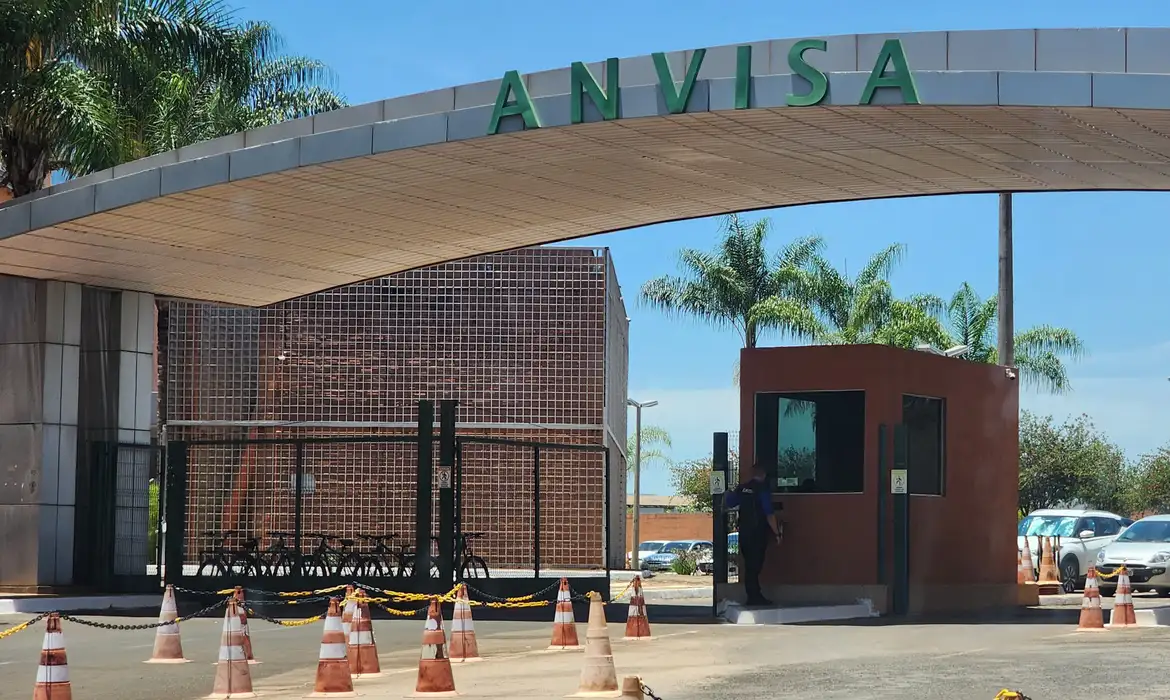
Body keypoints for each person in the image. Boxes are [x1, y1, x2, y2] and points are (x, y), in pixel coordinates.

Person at [724, 464, 781, 606]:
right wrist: (777, 533)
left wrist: (728, 492)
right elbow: (769, 514)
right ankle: (754, 596)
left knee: (749, 565)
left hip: (744, 532)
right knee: (755, 566)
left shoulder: (742, 489)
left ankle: (753, 595)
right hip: (758, 533)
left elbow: (730, 502)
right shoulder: (762, 490)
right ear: (764, 475)